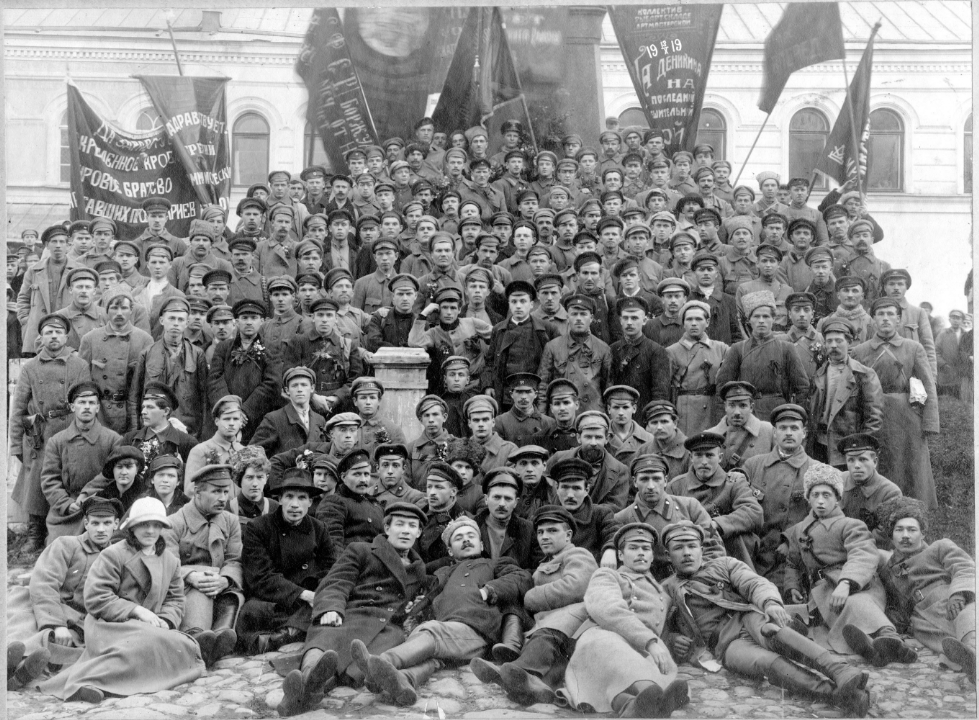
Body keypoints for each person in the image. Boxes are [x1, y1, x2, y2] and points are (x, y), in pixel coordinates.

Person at [661, 521, 872, 716]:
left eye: (692, 546)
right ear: (668, 555)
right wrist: (671, 639)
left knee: (776, 634)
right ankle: (839, 696)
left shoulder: (724, 565)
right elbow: (655, 624)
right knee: (765, 663)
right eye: (678, 548)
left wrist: (770, 603)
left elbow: (755, 583)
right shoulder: (666, 589)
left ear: (701, 549)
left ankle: (839, 669)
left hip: (748, 618)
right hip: (725, 644)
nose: (686, 553)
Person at [37, 497, 204, 703]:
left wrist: (166, 620)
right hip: (108, 624)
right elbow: (97, 597)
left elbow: (176, 598)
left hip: (148, 626)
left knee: (169, 641)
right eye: (144, 525)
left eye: (156, 525)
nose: (150, 531)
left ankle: (182, 654)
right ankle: (85, 683)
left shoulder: (171, 561)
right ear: (132, 527)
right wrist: (137, 610)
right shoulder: (114, 554)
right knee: (152, 643)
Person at [354, 516, 532, 706]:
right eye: (458, 538)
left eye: (471, 536)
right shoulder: (442, 574)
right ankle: (405, 680)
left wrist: (490, 590)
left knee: (432, 632)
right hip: (449, 633)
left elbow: (521, 577)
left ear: (481, 545)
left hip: (477, 630)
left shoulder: (494, 564)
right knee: (431, 655)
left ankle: (383, 662)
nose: (466, 540)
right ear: (450, 550)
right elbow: (426, 600)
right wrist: (414, 611)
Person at [275, 503, 428, 716]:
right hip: (350, 613)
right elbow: (336, 582)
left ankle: (305, 692)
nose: (405, 531)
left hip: (385, 626)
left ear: (418, 532)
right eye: (399, 524)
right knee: (327, 636)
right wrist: (331, 608)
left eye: (412, 526)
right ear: (387, 528)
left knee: (364, 660)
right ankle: (308, 678)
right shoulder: (361, 550)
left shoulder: (419, 569)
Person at [783, 465, 916, 662]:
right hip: (823, 591)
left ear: (837, 498)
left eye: (827, 495)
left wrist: (846, 583)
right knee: (809, 619)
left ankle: (890, 637)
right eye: (815, 495)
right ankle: (871, 648)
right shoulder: (799, 530)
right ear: (807, 498)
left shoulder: (851, 525)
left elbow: (863, 554)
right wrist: (792, 586)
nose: (820, 501)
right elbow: (793, 563)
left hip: (859, 586)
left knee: (856, 603)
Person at [469, 505, 598, 706]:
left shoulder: (578, 554)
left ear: (568, 535)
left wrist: (531, 597)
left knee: (544, 637)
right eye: (540, 532)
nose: (544, 537)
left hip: (571, 621)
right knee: (519, 615)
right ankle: (533, 685)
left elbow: (577, 586)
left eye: (552, 531)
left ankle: (515, 671)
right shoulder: (544, 563)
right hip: (550, 625)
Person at [560, 523, 688, 718]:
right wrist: (650, 642)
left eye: (645, 549)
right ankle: (655, 698)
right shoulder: (607, 575)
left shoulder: (662, 592)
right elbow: (607, 608)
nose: (640, 553)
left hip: (641, 648)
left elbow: (663, 627)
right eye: (633, 548)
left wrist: (670, 640)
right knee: (617, 654)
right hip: (604, 638)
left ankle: (636, 705)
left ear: (652, 556)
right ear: (620, 555)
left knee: (642, 669)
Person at [6, 497, 123, 690]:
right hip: (48, 606)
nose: (101, 529)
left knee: (60, 643)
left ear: (116, 524)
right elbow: (44, 582)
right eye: (95, 523)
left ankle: (21, 672)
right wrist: (56, 623)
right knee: (23, 619)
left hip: (79, 619)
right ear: (86, 523)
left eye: (107, 523)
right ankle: (10, 659)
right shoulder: (66, 545)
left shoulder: (118, 556)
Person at [10, 313, 93, 553]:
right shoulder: (31, 367)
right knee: (36, 482)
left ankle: (67, 528)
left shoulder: (79, 365)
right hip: (40, 433)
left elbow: (86, 399)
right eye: (48, 332)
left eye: (58, 332)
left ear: (66, 337)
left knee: (68, 478)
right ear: (41, 338)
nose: (54, 336)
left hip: (69, 427)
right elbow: (19, 408)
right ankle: (35, 533)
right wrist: (16, 444)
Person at [237, 468, 337, 655]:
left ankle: (282, 636)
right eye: (289, 497)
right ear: (280, 499)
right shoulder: (258, 528)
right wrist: (303, 595)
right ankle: (294, 632)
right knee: (252, 611)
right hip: (275, 597)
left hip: (308, 600)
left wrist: (317, 594)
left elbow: (330, 569)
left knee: (330, 603)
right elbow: (260, 576)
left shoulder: (319, 528)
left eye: (302, 498)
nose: (295, 505)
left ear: (310, 502)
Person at [874, 497, 976, 680]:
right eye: (899, 530)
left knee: (968, 617)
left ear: (923, 534)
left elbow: (965, 567)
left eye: (912, 530)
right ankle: (962, 657)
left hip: (950, 603)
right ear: (891, 535)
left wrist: (959, 594)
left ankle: (973, 653)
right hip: (922, 621)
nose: (905, 535)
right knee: (946, 643)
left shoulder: (939, 548)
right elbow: (893, 606)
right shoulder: (888, 572)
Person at [851, 297, 939, 508]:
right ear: (873, 319)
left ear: (899, 319)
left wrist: (930, 422)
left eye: (891, 314)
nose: (885, 319)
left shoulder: (913, 348)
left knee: (910, 466)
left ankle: (913, 513)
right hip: (873, 415)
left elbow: (928, 386)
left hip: (906, 416)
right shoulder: (860, 351)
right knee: (880, 463)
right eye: (880, 314)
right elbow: (853, 392)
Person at [162, 464, 243, 668]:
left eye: (226, 491)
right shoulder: (173, 523)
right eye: (216, 492)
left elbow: (234, 559)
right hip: (187, 588)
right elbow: (168, 563)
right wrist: (191, 576)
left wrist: (225, 579)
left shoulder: (230, 521)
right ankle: (196, 638)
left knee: (233, 595)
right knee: (202, 583)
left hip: (221, 587)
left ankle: (220, 636)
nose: (223, 498)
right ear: (197, 492)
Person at [741, 404, 824, 584]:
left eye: (794, 428)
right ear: (774, 433)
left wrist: (791, 540)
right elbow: (739, 506)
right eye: (783, 428)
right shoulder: (753, 465)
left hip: (791, 557)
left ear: (804, 433)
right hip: (753, 555)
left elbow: (822, 517)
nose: (788, 433)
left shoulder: (817, 470)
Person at [666, 432, 763, 569]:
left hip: (728, 549)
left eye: (710, 455)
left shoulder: (734, 482)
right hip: (689, 548)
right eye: (698, 455)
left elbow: (753, 512)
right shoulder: (676, 486)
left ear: (720, 457)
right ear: (691, 457)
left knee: (739, 538)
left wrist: (716, 524)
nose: (704, 462)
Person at [41, 381, 122, 543]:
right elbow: (49, 479)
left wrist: (87, 494)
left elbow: (112, 474)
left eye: (91, 403)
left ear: (97, 408)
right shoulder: (57, 441)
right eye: (82, 402)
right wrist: (65, 503)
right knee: (60, 547)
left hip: (101, 504)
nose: (86, 407)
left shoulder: (113, 440)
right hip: (68, 509)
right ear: (72, 407)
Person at [715, 290, 810, 421]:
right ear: (749, 320)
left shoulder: (786, 348)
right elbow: (722, 387)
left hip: (777, 413)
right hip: (746, 414)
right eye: (756, 316)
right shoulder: (738, 349)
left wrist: (794, 416)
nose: (761, 321)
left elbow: (802, 387)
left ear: (773, 319)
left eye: (766, 316)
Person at [806, 318, 884, 468]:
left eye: (839, 340)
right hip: (819, 446)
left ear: (849, 342)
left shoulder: (863, 374)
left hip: (848, 449)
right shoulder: (819, 374)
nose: (833, 345)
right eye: (829, 341)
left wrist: (860, 449)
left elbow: (874, 419)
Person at [79, 285, 154, 434]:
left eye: (124, 308)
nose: (119, 313)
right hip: (100, 412)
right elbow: (82, 381)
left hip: (130, 413)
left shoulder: (144, 339)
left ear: (131, 310)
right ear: (106, 310)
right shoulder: (90, 339)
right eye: (114, 308)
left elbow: (147, 382)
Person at [130, 297, 208, 436]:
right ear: (162, 320)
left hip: (188, 430)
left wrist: (201, 435)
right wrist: (137, 433)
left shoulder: (197, 354)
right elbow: (134, 398)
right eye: (171, 318)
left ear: (187, 323)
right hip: (152, 428)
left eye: (180, 319)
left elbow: (204, 399)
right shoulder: (147, 354)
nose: (176, 324)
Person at [207, 298, 282, 444]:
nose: (249, 322)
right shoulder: (224, 347)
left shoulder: (271, 348)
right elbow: (215, 379)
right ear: (236, 322)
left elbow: (272, 383)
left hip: (257, 418)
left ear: (262, 321)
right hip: (226, 417)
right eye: (244, 318)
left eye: (253, 318)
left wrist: (245, 411)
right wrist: (230, 409)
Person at [483, 280, 558, 402]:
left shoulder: (547, 329)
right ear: (509, 304)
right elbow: (490, 362)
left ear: (531, 304)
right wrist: (488, 385)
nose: (518, 306)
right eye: (514, 302)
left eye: (523, 301)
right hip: (506, 394)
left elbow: (556, 363)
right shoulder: (499, 329)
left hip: (535, 394)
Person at [17, 225, 83, 356]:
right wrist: (26, 320)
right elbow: (23, 298)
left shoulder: (79, 269)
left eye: (62, 242)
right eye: (54, 241)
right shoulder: (34, 270)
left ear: (68, 245)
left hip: (69, 329)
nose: (58, 245)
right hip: (38, 331)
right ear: (47, 245)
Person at [667, 300, 728, 435]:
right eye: (689, 319)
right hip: (686, 410)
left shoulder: (721, 348)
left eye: (699, 319)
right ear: (683, 323)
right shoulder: (672, 351)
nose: (694, 323)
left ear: (707, 322)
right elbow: (666, 387)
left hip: (713, 407)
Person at [547, 410, 630, 510]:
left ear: (606, 439)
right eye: (588, 437)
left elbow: (615, 507)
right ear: (579, 438)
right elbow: (547, 496)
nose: (593, 443)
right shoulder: (558, 459)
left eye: (598, 437)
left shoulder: (620, 470)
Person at [610, 296, 671, 413]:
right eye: (625, 318)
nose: (629, 322)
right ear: (620, 320)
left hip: (644, 414)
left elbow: (660, 393)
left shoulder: (656, 351)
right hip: (618, 414)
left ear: (644, 320)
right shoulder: (612, 350)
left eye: (634, 318)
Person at [251, 367, 328, 460]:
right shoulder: (273, 419)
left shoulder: (320, 420)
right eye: (294, 386)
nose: (299, 389)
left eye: (304, 385)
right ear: (287, 390)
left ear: (312, 388)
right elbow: (252, 453)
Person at [315, 448, 385, 550]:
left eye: (366, 474)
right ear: (343, 477)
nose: (363, 480)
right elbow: (332, 546)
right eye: (357, 474)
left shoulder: (375, 505)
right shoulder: (333, 503)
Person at [705, 381, 774, 471]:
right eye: (732, 405)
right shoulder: (709, 435)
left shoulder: (768, 431)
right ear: (725, 406)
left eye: (743, 406)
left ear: (751, 407)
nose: (737, 412)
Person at [122, 382, 198, 464]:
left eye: (150, 407)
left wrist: (181, 467)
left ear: (166, 411)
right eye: (143, 407)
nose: (143, 412)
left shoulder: (187, 443)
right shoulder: (129, 439)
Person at [184, 395, 247, 494]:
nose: (231, 423)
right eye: (226, 419)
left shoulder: (245, 452)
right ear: (217, 421)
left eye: (235, 419)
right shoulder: (201, 451)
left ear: (241, 422)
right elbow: (190, 491)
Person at [418, 462, 473, 565]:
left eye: (439, 487)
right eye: (429, 487)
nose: (432, 492)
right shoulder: (417, 513)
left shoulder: (463, 521)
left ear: (453, 492)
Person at [406, 395, 456, 489]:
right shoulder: (410, 449)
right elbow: (406, 483)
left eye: (435, 414)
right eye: (426, 415)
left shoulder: (456, 445)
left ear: (444, 417)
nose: (431, 420)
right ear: (421, 420)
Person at [494, 372, 556, 446]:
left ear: (535, 394)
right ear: (511, 394)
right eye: (519, 392)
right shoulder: (500, 422)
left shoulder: (549, 423)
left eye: (528, 392)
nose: (523, 396)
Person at [633, 401, 691, 480]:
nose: (659, 427)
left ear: (675, 423)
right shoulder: (643, 451)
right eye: (654, 423)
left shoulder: (689, 450)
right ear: (648, 426)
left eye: (664, 422)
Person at [605, 385, 655, 469]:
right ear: (609, 409)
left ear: (634, 409)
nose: (621, 413)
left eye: (625, 407)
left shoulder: (648, 439)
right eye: (616, 407)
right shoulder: (601, 435)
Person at [228, 445, 279, 525]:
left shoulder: (274, 508)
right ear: (240, 480)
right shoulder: (228, 509)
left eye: (260, 477)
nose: (255, 484)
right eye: (249, 477)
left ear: (266, 478)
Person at [373, 443, 426, 509]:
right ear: (377, 468)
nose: (390, 471)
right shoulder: (366, 494)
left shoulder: (415, 498)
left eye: (395, 465)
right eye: (385, 465)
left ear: (403, 469)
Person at [936, 308, 967, 397]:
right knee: (944, 397)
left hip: (960, 374)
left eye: (958, 318)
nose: (955, 320)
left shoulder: (966, 334)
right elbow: (935, 351)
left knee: (959, 398)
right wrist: (943, 364)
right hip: (945, 373)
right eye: (953, 318)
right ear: (949, 320)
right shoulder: (943, 334)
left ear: (962, 320)